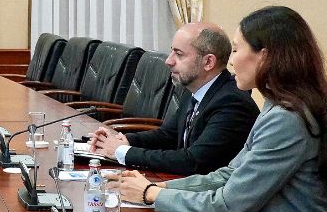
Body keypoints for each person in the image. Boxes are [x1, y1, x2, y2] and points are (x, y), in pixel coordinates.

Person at [109, 6, 327, 212]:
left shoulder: (286, 119)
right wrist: (163, 187)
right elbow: (228, 175)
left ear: (264, 56)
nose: (231, 61)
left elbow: (228, 205)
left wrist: (150, 194)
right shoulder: (277, 107)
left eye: (235, 49)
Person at [90, 23, 259, 175]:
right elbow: (168, 135)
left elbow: (193, 162)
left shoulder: (232, 103)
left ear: (208, 62)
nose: (168, 61)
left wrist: (122, 152)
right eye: (171, 51)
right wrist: (125, 140)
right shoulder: (195, 88)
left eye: (179, 54)